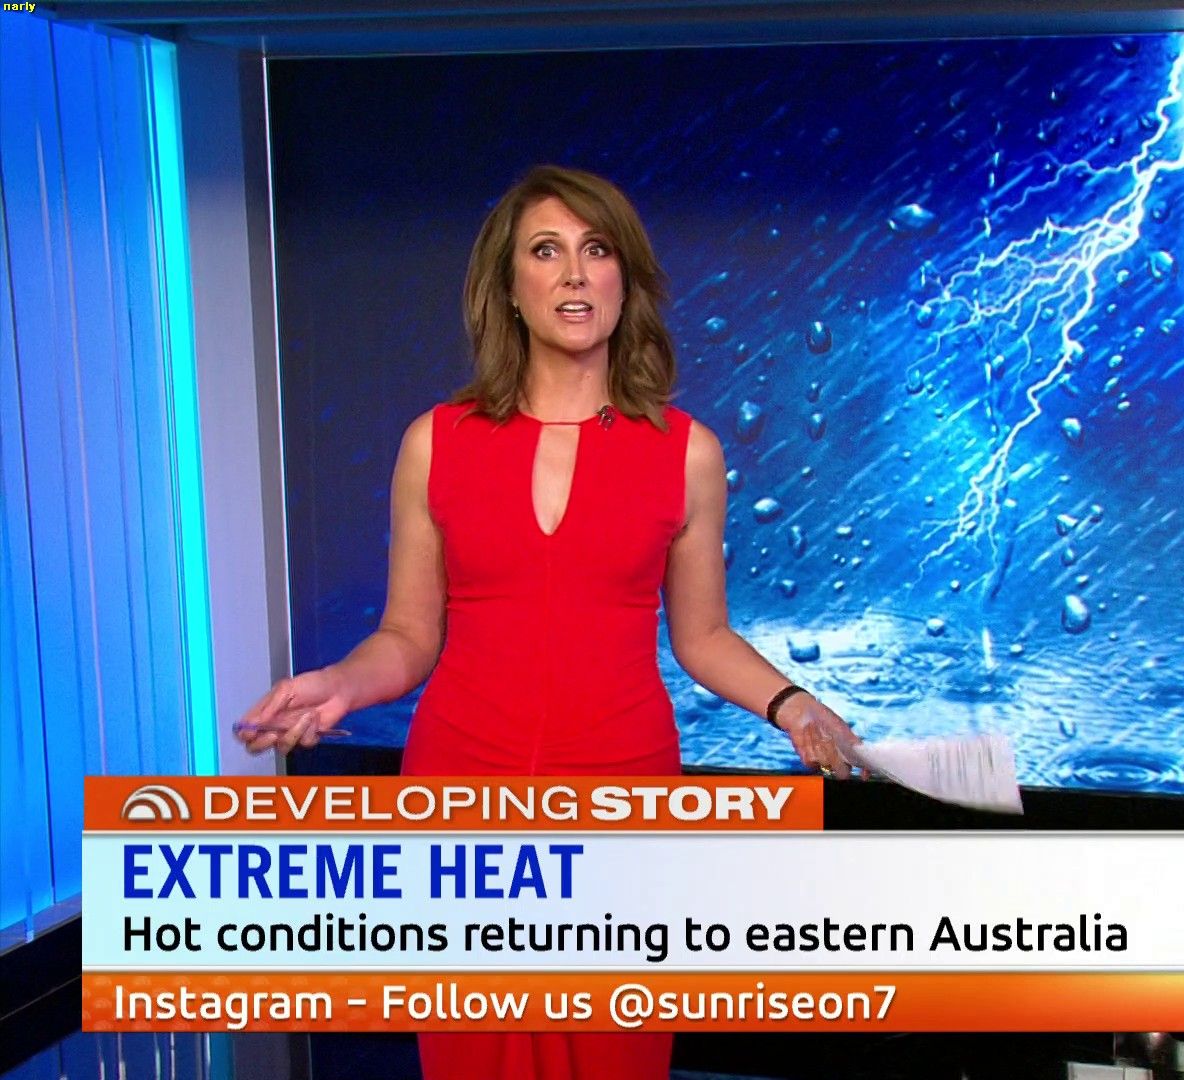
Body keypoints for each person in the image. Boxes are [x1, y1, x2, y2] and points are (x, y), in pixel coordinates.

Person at [234, 164, 860, 1079]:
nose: (573, 273)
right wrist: (338, 685)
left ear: (624, 283)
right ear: (509, 289)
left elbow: (702, 637)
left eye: (596, 250)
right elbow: (408, 636)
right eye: (546, 251)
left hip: (622, 799)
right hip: (461, 798)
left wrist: (792, 703)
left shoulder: (686, 452)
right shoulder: (434, 443)